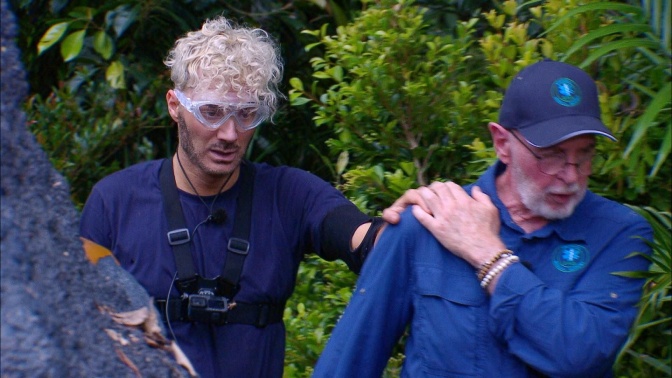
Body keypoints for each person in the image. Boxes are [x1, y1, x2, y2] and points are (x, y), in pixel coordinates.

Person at [79, 16, 397, 378]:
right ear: (174, 105)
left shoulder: (289, 194)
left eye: (246, 114)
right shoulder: (114, 200)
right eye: (211, 112)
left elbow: (365, 240)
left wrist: (407, 224)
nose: (230, 134)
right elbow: (79, 322)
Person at [313, 59, 653, 377]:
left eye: (585, 154)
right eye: (552, 156)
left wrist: (489, 256)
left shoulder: (620, 234)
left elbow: (581, 355)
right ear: (502, 143)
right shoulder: (428, 222)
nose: (571, 176)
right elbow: (350, 357)